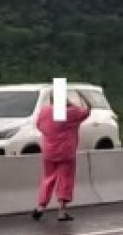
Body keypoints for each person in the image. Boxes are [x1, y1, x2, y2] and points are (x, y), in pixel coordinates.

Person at [32, 89, 92, 222]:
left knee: (48, 179)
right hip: (66, 152)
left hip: (49, 151)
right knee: (65, 180)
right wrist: (77, 98)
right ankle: (62, 211)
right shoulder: (70, 113)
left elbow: (39, 126)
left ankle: (40, 207)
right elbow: (87, 111)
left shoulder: (45, 112)